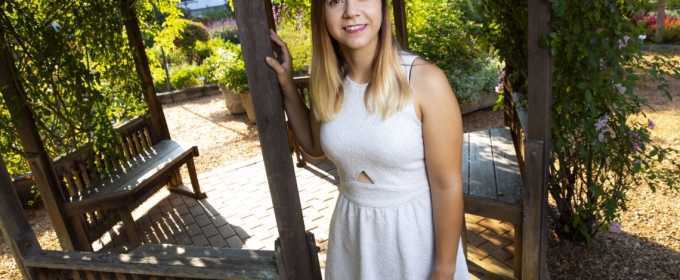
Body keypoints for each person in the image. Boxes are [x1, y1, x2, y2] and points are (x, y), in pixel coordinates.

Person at [265, 0, 469, 279]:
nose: (351, 11)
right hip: (353, 236)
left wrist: (444, 270)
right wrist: (287, 84)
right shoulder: (327, 80)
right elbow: (314, 148)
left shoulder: (424, 80)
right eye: (335, 1)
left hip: (415, 240)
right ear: (320, 13)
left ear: (383, 6)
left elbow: (447, 185)